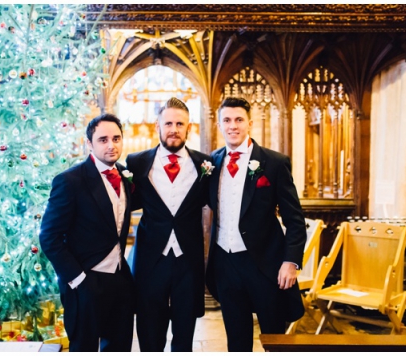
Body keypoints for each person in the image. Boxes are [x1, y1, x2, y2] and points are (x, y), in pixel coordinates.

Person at [205, 97, 305, 351]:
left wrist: (290, 262)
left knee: (274, 339)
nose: (233, 126)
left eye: (239, 120)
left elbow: (295, 219)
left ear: (250, 123)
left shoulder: (273, 162)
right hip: (225, 262)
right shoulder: (212, 163)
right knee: (236, 340)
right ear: (219, 125)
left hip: (265, 264)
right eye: (227, 120)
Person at [40, 114, 134, 352]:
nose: (111, 145)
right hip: (86, 282)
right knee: (84, 348)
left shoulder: (125, 175)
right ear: (89, 143)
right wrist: (79, 279)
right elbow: (49, 237)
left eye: (116, 138)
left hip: (120, 281)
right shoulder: (70, 181)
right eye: (103, 139)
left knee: (120, 347)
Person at [126, 97, 211, 352]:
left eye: (180, 124)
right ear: (157, 126)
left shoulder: (205, 164)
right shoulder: (136, 163)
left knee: (185, 337)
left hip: (188, 261)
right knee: (150, 335)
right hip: (151, 260)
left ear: (189, 127)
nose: (174, 129)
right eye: (169, 123)